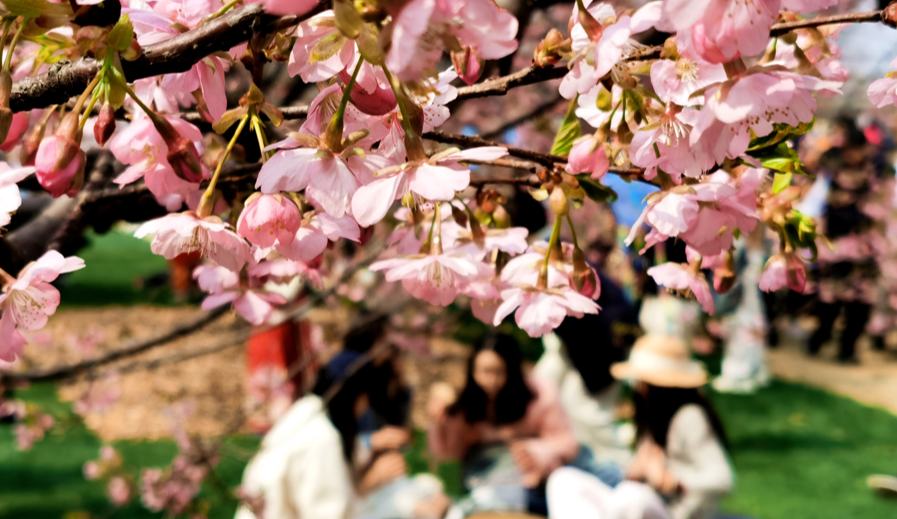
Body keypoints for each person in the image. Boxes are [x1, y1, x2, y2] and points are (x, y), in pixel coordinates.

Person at [235, 319, 445, 519]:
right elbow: (327, 514)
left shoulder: (308, 415)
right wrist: (369, 484)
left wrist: (372, 445)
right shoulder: (320, 438)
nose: (364, 408)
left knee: (424, 488)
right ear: (355, 396)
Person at [546, 334, 734, 519]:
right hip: (643, 504)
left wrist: (673, 480)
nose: (637, 388)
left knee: (632, 497)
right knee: (563, 480)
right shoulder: (655, 416)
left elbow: (721, 479)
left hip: (675, 510)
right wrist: (638, 469)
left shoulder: (689, 417)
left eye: (640, 381)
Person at [428, 334, 579, 517]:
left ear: (512, 370)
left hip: (527, 481)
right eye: (483, 371)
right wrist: (440, 421)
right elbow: (448, 453)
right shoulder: (466, 403)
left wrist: (536, 452)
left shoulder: (539, 394)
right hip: (480, 479)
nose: (491, 381)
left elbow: (567, 443)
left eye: (498, 371)